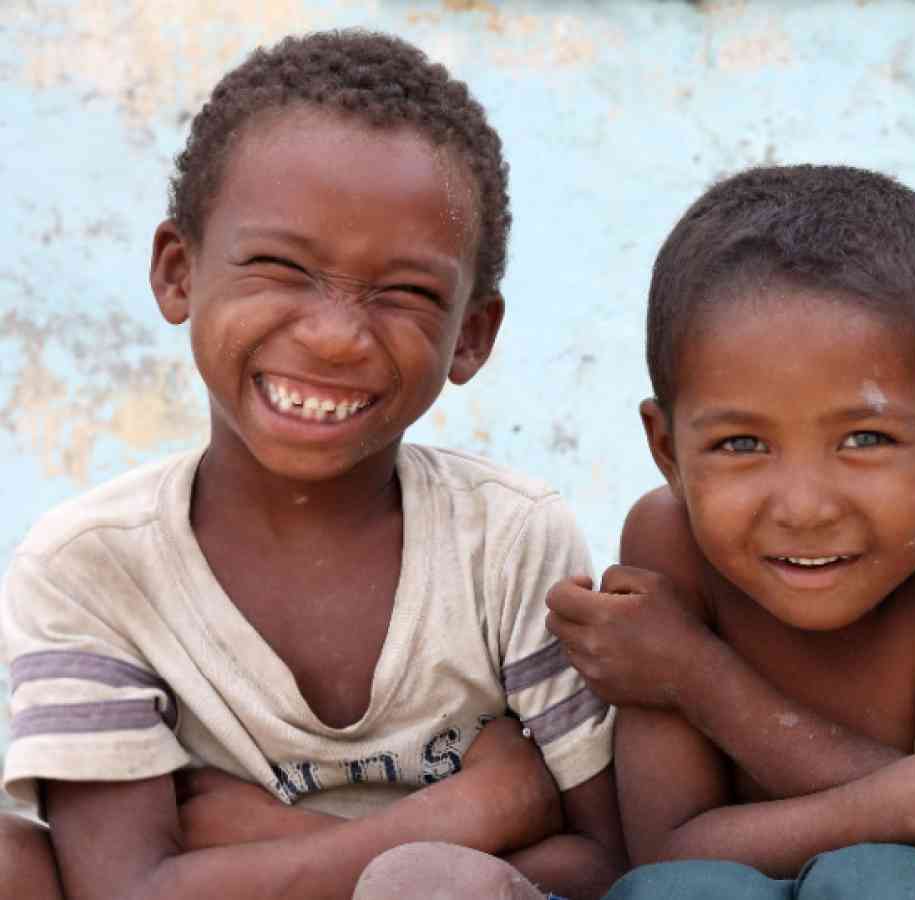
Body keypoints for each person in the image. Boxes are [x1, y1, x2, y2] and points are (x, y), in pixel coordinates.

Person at [0, 30, 622, 900]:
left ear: (471, 336)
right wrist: (470, 811)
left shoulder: (508, 541)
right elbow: (126, 891)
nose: (333, 334)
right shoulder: (91, 569)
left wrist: (262, 842)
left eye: (404, 292)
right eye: (280, 267)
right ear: (179, 274)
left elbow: (606, 865)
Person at [542, 164, 915, 900]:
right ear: (667, 449)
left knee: (883, 883)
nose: (805, 507)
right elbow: (667, 852)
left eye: (864, 439)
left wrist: (696, 676)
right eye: (739, 445)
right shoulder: (668, 540)